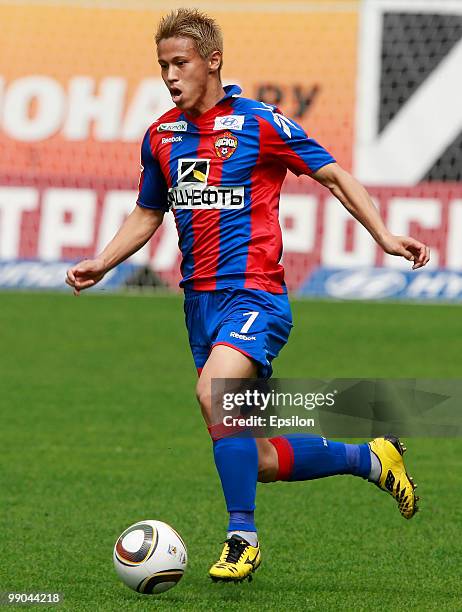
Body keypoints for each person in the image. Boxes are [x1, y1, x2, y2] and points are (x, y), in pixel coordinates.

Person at [66, 8, 429, 584]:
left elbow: (334, 175)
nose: (169, 75)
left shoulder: (261, 123)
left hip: (256, 297)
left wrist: (383, 234)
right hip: (199, 307)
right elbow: (147, 213)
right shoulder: (161, 135)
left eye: (179, 62)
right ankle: (371, 458)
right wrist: (103, 262)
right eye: (162, 65)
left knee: (215, 393)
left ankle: (242, 538)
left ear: (212, 61)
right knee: (254, 455)